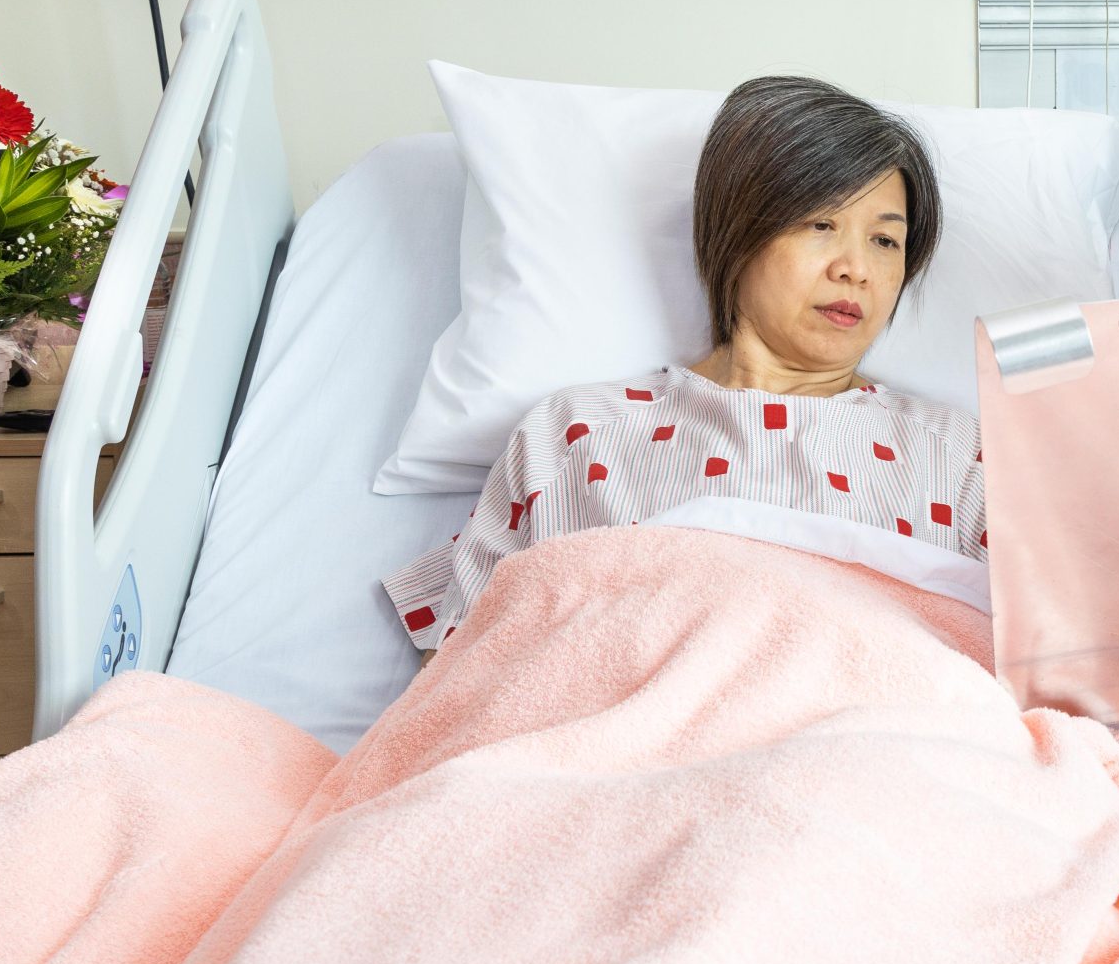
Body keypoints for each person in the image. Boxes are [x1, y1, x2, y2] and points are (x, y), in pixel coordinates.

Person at [387, 77, 985, 654]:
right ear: (737, 232)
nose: (855, 268)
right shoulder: (574, 434)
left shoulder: (956, 454)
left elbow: (1038, 662)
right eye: (821, 224)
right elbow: (458, 675)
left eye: (886, 241)